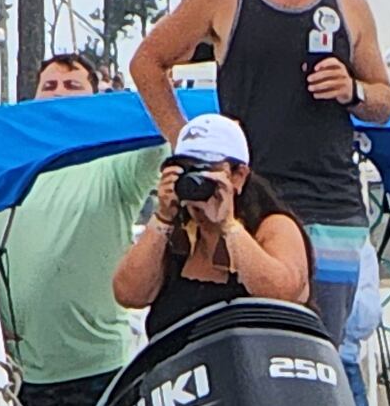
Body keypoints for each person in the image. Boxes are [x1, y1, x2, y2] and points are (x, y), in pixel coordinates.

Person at [129, 0, 390, 406]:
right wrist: (186, 142)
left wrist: (351, 90)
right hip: (247, 201)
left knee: (330, 354)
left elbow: (384, 101)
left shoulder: (350, 3)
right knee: (248, 347)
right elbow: (148, 62)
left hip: (331, 204)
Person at [0, 51, 157, 406]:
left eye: (72, 86)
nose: (59, 93)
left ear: (96, 96)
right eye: (49, 86)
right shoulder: (5, 170)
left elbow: (157, 137)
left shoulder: (114, 166)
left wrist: (154, 82)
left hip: (96, 372)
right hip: (16, 377)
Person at [111, 111, 312, 338]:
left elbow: (283, 296)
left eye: (206, 170)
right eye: (185, 170)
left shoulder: (273, 226)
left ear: (238, 175)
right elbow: (128, 295)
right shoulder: (177, 234)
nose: (196, 180)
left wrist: (228, 226)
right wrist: (163, 218)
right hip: (178, 357)